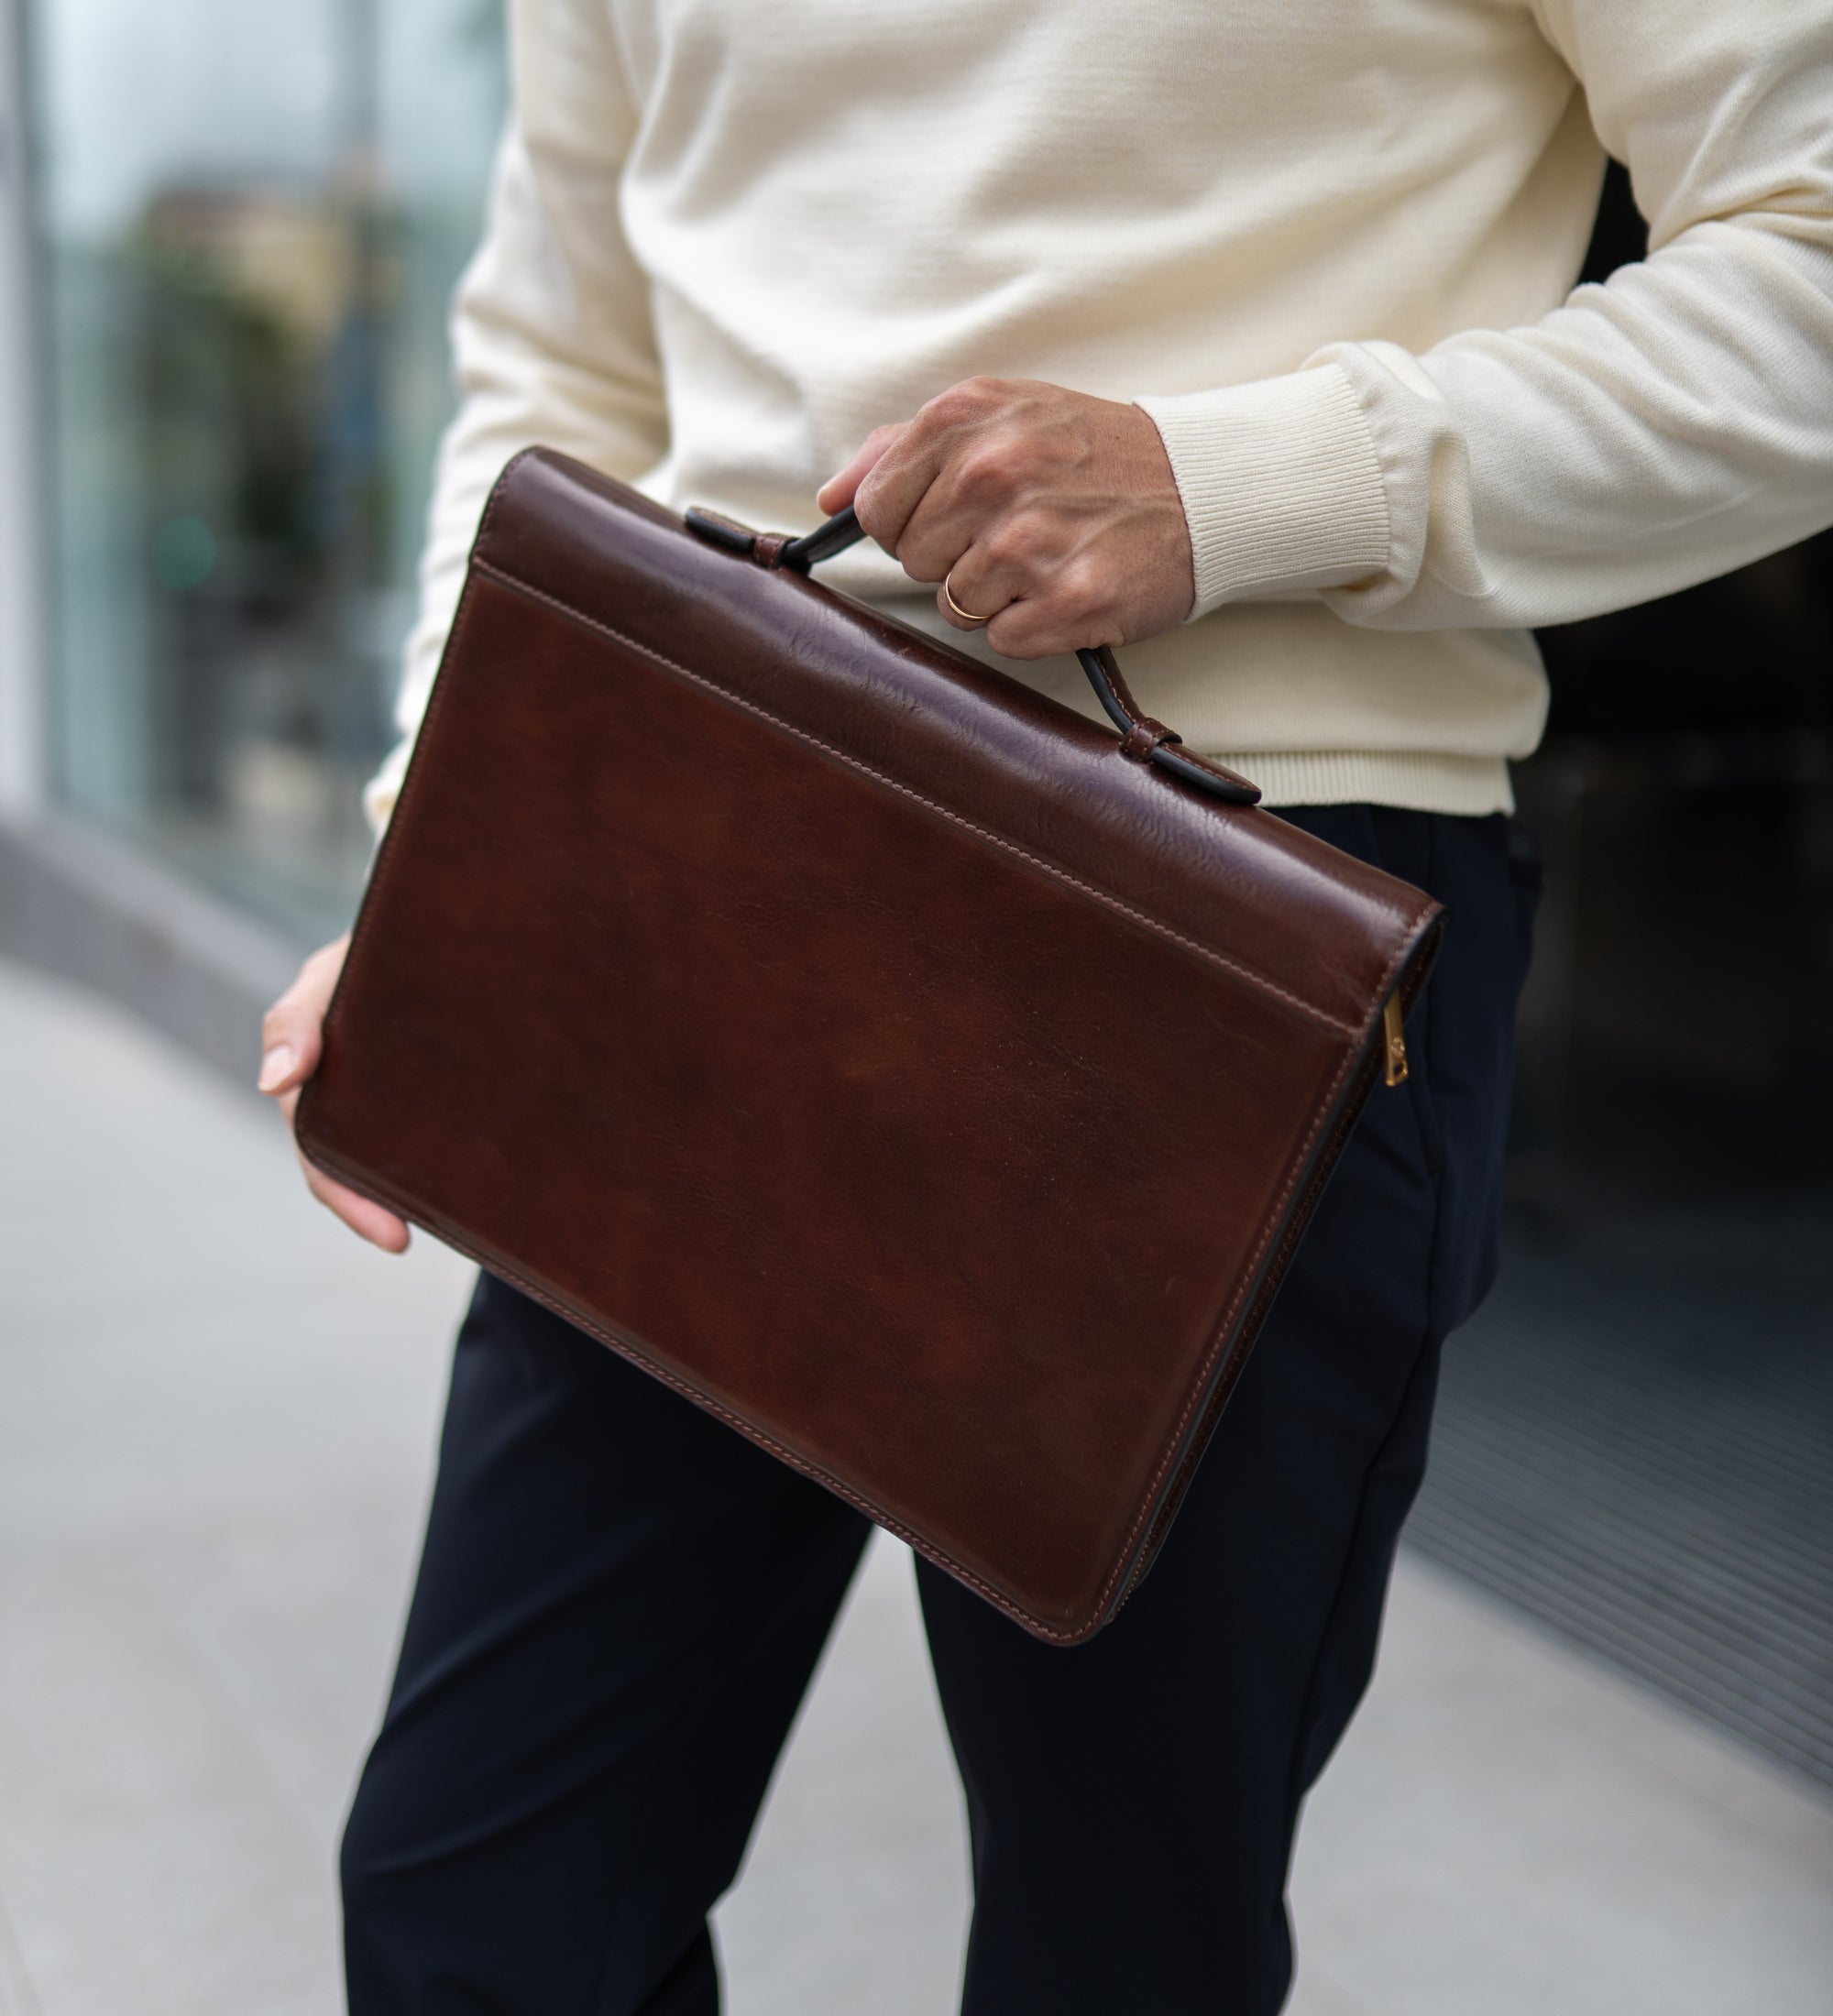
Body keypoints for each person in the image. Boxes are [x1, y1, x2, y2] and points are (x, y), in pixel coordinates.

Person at [258, 3, 1833, 2010]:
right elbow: (563, 357)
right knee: (475, 1911)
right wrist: (446, 827)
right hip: (694, 853)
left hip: (1220, 928)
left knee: (1120, 1940)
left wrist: (1241, 477)